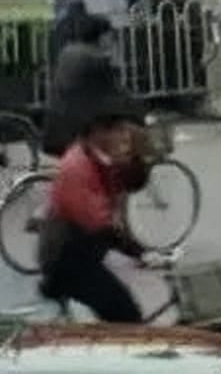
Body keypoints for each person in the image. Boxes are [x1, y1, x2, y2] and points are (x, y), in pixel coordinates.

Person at [38, 103, 155, 324]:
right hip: (66, 259)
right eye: (118, 130)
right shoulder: (76, 167)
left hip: (88, 250)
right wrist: (134, 251)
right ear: (99, 132)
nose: (124, 137)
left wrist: (134, 161)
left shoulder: (100, 158)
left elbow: (133, 183)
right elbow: (98, 223)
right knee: (125, 313)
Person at [42, 13, 126, 158]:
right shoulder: (96, 59)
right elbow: (115, 94)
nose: (112, 39)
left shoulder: (68, 52)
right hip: (74, 135)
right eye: (110, 35)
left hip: (54, 128)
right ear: (101, 36)